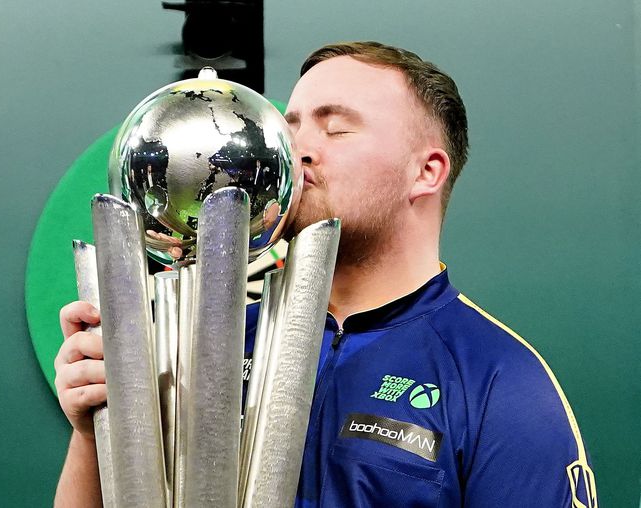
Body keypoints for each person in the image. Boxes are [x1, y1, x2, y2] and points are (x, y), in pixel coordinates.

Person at [54, 41, 597, 507]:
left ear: (425, 171)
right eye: (291, 126)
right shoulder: (203, 345)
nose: (298, 151)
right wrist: (92, 429)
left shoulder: (501, 383)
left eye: (335, 129)